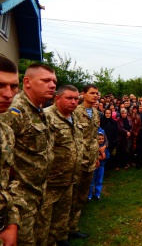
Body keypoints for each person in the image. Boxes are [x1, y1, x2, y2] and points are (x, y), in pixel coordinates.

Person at [0, 63, 57, 245]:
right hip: (20, 199)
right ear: (28, 82)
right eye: (46, 80)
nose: (52, 85)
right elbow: (6, 163)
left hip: (37, 192)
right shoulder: (14, 111)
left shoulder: (40, 110)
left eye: (54, 81)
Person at [37, 85, 83, 246]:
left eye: (76, 99)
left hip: (69, 178)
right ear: (57, 98)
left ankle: (61, 238)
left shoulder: (73, 116)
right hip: (51, 181)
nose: (73, 102)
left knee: (63, 214)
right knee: (44, 220)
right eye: (69, 98)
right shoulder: (46, 116)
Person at [68, 84, 100, 240]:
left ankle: (73, 227)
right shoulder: (75, 112)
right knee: (70, 196)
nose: (95, 96)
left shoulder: (95, 113)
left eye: (97, 93)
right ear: (83, 94)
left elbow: (94, 138)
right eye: (92, 93)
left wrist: (97, 157)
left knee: (81, 196)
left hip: (90, 161)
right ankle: (62, 231)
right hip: (77, 162)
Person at [0, 56, 21, 245]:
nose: (8, 94)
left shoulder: (5, 130)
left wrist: (12, 223)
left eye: (13, 86)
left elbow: (9, 179)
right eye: (0, 85)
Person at [88, 129, 107, 200]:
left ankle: (97, 194)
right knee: (92, 180)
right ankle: (89, 195)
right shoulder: (93, 147)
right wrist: (98, 157)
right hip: (94, 166)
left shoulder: (103, 148)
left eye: (102, 139)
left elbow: (107, 156)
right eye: (99, 139)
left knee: (99, 180)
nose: (101, 140)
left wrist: (103, 156)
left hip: (101, 166)